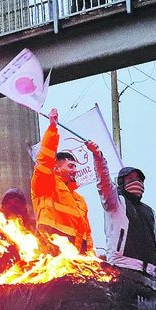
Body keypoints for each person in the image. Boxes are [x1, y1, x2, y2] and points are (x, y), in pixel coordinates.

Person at [87, 141, 156, 296]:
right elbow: (104, 184)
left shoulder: (149, 211)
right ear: (121, 182)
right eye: (131, 179)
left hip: (149, 275)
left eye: (139, 179)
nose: (136, 182)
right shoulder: (115, 202)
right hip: (122, 270)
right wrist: (99, 158)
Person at [30, 108, 93, 254]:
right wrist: (52, 129)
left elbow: (87, 235)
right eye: (70, 166)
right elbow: (45, 160)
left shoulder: (79, 200)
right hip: (51, 252)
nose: (75, 170)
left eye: (75, 166)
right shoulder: (47, 186)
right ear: (56, 168)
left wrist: (92, 259)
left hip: (76, 259)